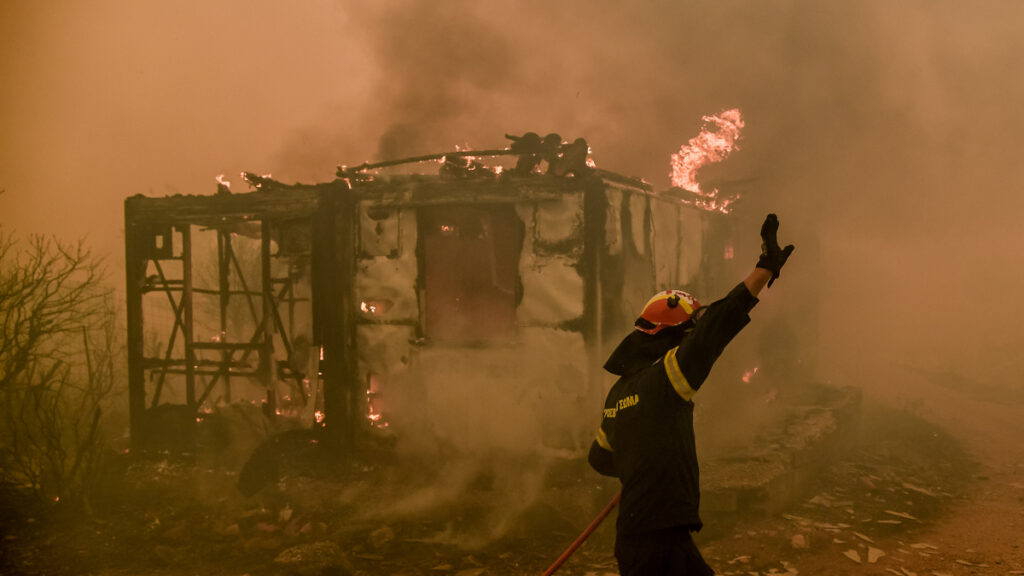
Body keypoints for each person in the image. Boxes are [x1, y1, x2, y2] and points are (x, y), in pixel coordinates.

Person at [588, 213, 795, 575]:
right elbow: (715, 328)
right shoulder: (664, 379)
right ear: (668, 336)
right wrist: (763, 269)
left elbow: (600, 459)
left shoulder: (617, 394)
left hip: (643, 540)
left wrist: (639, 467)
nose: (690, 342)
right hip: (658, 544)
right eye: (686, 334)